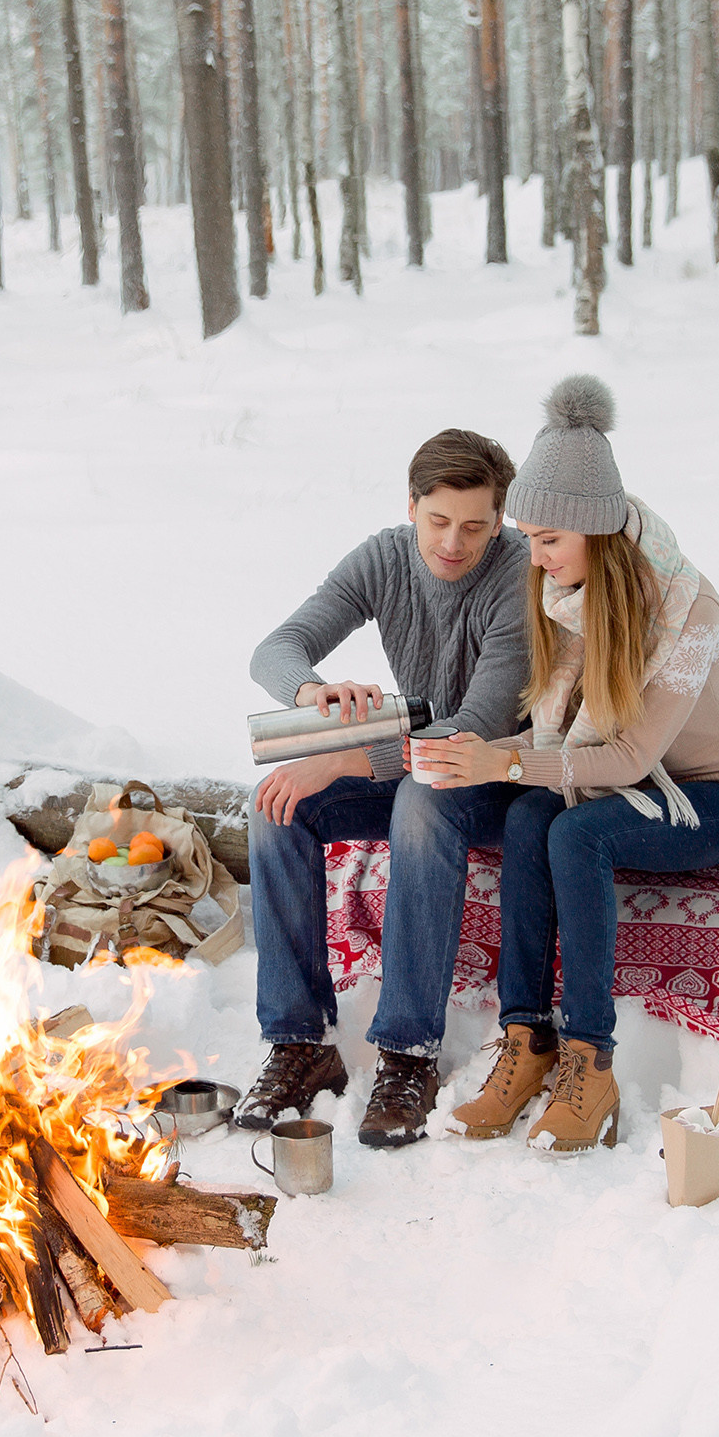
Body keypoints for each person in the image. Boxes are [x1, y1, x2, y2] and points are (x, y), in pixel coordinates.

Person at [416, 376, 719, 1153]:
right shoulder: (566, 592)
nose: (533, 558)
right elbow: (567, 749)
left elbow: (628, 755)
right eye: (530, 539)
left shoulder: (688, 611)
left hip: (714, 795)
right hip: (631, 779)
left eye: (547, 540)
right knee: (528, 812)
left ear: (593, 530)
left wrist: (502, 762)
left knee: (578, 835)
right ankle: (524, 1040)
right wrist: (492, 762)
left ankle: (591, 1060)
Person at [235, 430, 532, 1148]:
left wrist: (340, 759)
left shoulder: (520, 579)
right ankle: (299, 1043)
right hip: (411, 759)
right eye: (437, 521)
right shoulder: (385, 557)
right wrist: (314, 691)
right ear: (412, 506)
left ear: (500, 521)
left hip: (496, 777)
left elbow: (469, 731)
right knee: (276, 805)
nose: (453, 543)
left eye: (474, 526)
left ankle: (408, 1054)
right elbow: (272, 649)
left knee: (421, 800)